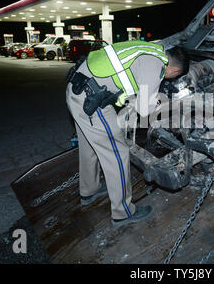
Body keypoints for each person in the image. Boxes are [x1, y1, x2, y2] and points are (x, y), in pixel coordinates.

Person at [65, 41, 188, 228]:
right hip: (92, 103)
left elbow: (128, 79)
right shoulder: (156, 66)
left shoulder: (151, 50)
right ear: (174, 71)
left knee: (89, 146)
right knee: (118, 152)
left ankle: (89, 191)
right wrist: (162, 100)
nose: (168, 79)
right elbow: (144, 109)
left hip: (77, 91)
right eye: (171, 77)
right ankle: (122, 212)